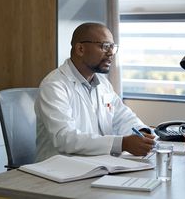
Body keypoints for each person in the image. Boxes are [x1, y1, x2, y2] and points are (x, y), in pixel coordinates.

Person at [34, 22, 155, 162]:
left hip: (98, 165)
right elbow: (65, 138)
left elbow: (123, 117)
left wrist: (142, 132)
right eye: (105, 47)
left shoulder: (103, 83)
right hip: (59, 170)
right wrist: (122, 143)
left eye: (112, 47)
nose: (111, 53)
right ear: (80, 49)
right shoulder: (54, 85)